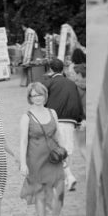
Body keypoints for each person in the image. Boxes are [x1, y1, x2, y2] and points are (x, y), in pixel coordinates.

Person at [19, 83, 66, 216]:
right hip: (36, 160)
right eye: (34, 95)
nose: (37, 98)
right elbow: (23, 142)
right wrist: (23, 163)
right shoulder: (26, 117)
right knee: (40, 194)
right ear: (30, 98)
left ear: (45, 95)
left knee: (60, 191)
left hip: (54, 157)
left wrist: (64, 154)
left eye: (40, 94)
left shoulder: (52, 112)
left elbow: (58, 134)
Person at [42, 58, 85, 193]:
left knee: (54, 149)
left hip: (54, 119)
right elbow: (77, 101)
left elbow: (43, 102)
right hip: (70, 120)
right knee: (67, 149)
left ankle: (66, 176)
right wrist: (79, 119)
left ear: (50, 70)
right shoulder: (71, 84)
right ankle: (67, 177)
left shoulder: (48, 84)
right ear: (63, 69)